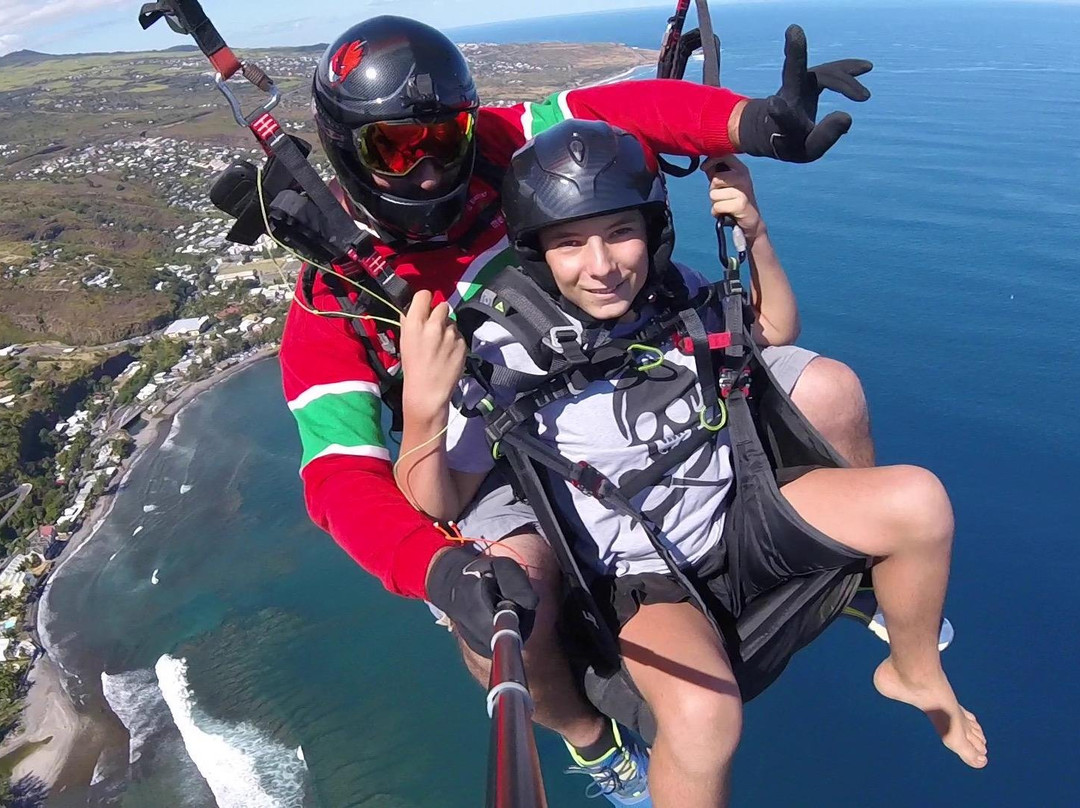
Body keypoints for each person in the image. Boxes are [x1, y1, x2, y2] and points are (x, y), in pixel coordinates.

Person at [279, 13, 874, 800]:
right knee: (505, 610)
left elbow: (618, 114)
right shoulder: (332, 304)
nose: (428, 169)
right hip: (486, 450)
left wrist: (748, 123)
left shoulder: (495, 145)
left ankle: (844, 556)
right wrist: (434, 568)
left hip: (612, 374)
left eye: (443, 137)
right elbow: (337, 476)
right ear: (348, 150)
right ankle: (592, 739)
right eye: (394, 147)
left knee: (826, 391)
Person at [395, 119, 988, 808]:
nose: (601, 264)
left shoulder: (673, 290)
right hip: (644, 579)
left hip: (741, 515)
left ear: (651, 230)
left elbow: (774, 330)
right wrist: (424, 410)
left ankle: (914, 670)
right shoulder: (505, 349)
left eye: (620, 232)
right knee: (705, 721)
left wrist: (755, 234)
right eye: (568, 244)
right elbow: (442, 499)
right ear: (537, 254)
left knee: (919, 500)